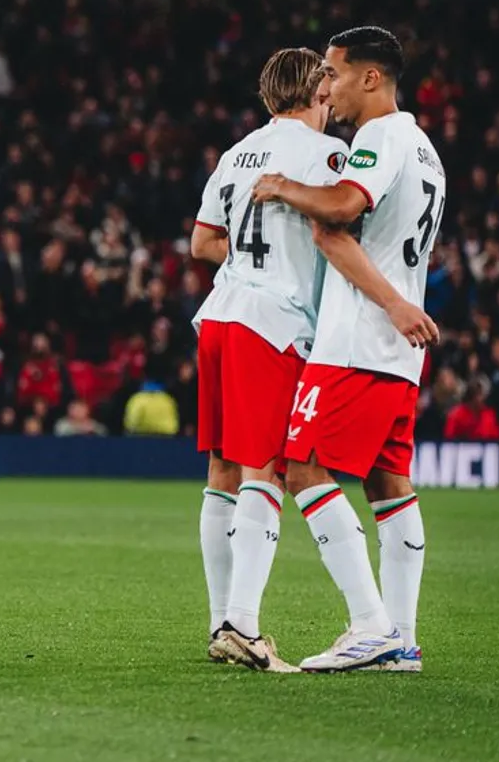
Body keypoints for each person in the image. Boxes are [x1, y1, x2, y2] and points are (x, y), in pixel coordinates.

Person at [252, 26, 445, 672]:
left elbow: (341, 208)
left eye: (333, 73)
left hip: (357, 338)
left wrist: (281, 185)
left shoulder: (380, 138)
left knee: (300, 466)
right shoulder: (424, 149)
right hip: (395, 349)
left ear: (371, 77)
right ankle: (403, 641)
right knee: (391, 486)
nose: (324, 87)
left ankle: (371, 625)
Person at [189, 47, 350, 672]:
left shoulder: (237, 153)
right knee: (269, 469)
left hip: (220, 314)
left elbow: (203, 242)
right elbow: (344, 220)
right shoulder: (327, 156)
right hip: (273, 323)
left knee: (222, 470)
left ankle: (219, 623)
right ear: (318, 95)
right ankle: (243, 626)